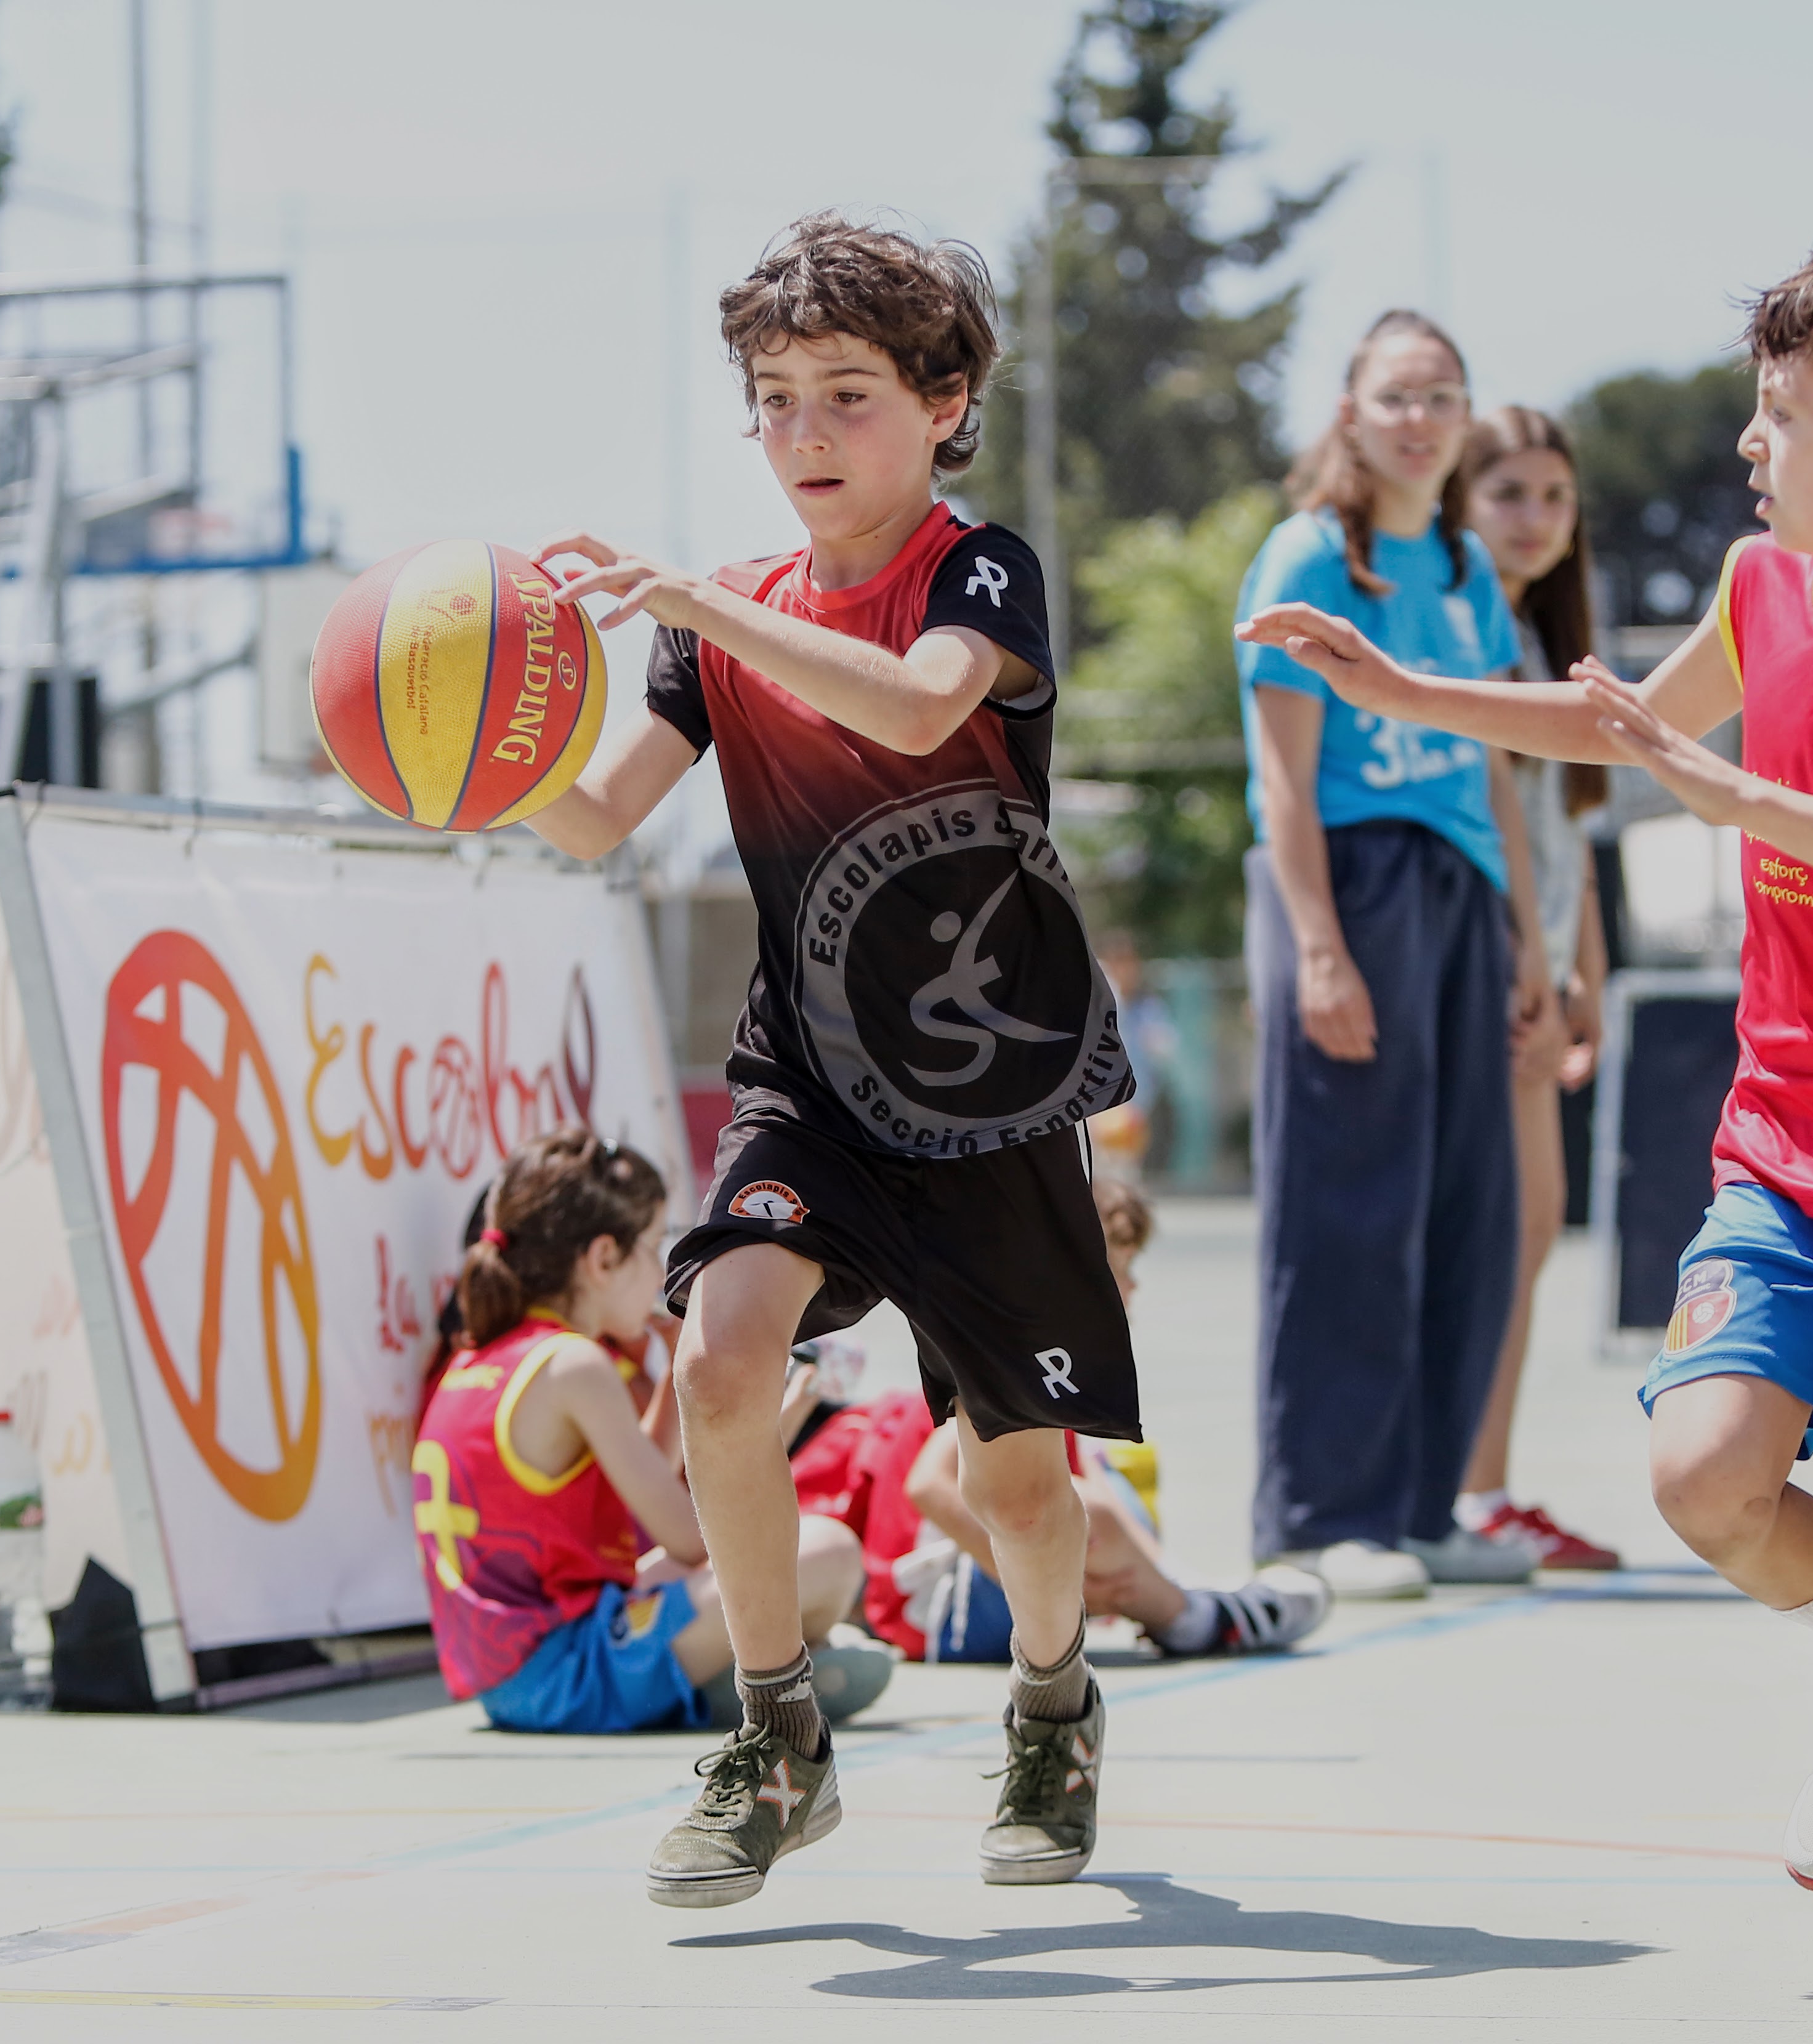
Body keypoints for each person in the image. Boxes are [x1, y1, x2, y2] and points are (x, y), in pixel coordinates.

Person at [1241, 212, 1813, 1993]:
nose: (1746, 445)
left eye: (1775, 412)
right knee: (1700, 1469)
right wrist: (1409, 687)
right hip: (1795, 1124)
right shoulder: (1759, 592)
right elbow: (1618, 727)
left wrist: (1714, 793)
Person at [526, 213, 1139, 1907]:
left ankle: (1051, 1699)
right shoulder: (712, 621)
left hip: (983, 1089)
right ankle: (776, 1732)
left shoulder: (978, 569)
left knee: (1015, 1482)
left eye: (844, 396)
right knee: (719, 1357)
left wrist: (702, 603)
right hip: (804, 1071)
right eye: (773, 398)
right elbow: (593, 815)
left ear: (943, 402)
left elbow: (916, 706)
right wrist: (465, 739)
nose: (802, 434)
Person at [1235, 309, 1551, 1601]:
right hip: (1351, 887)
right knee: (1348, 1209)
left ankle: (1420, 1504)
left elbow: (1489, 767)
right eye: (1395, 398)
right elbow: (1282, 779)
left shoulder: (1468, 568)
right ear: (1350, 416)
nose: (1419, 420)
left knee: (1461, 1207)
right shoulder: (1305, 555)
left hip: (1460, 892)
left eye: (1441, 397)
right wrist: (1317, 947)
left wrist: (1528, 936)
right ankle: (1321, 1512)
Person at [409, 1130, 884, 1736]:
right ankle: (741, 1677)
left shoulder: (480, 1361)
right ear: (603, 1257)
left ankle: (723, 1672)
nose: (662, 1268)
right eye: (655, 1243)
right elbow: (694, 1542)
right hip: (569, 1673)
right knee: (829, 1551)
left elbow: (639, 1485)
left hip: (509, 1677)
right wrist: (760, 1429)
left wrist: (672, 1378)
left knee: (746, 1576)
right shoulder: (573, 1364)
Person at [793, 1178, 1331, 1661]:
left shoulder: (1057, 1369)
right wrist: (1032, 1585)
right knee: (1089, 1506)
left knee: (1110, 1488)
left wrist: (1166, 1574)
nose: (1134, 1286)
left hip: (974, 1582)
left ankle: (1190, 1601)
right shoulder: (1001, 1355)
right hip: (935, 1609)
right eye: (1121, 1269)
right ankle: (1196, 1621)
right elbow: (928, 1485)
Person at [1451, 405, 1622, 1573]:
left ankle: (1482, 1482)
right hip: (1491, 961)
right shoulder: (1467, 636)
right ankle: (1472, 1488)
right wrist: (1530, 957)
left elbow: (1573, 828)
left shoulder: (1551, 642)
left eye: (1553, 496)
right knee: (1504, 1227)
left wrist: (1589, 972)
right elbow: (1494, 814)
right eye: (1506, 491)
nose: (1533, 517)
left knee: (1531, 1224)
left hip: (1545, 962)